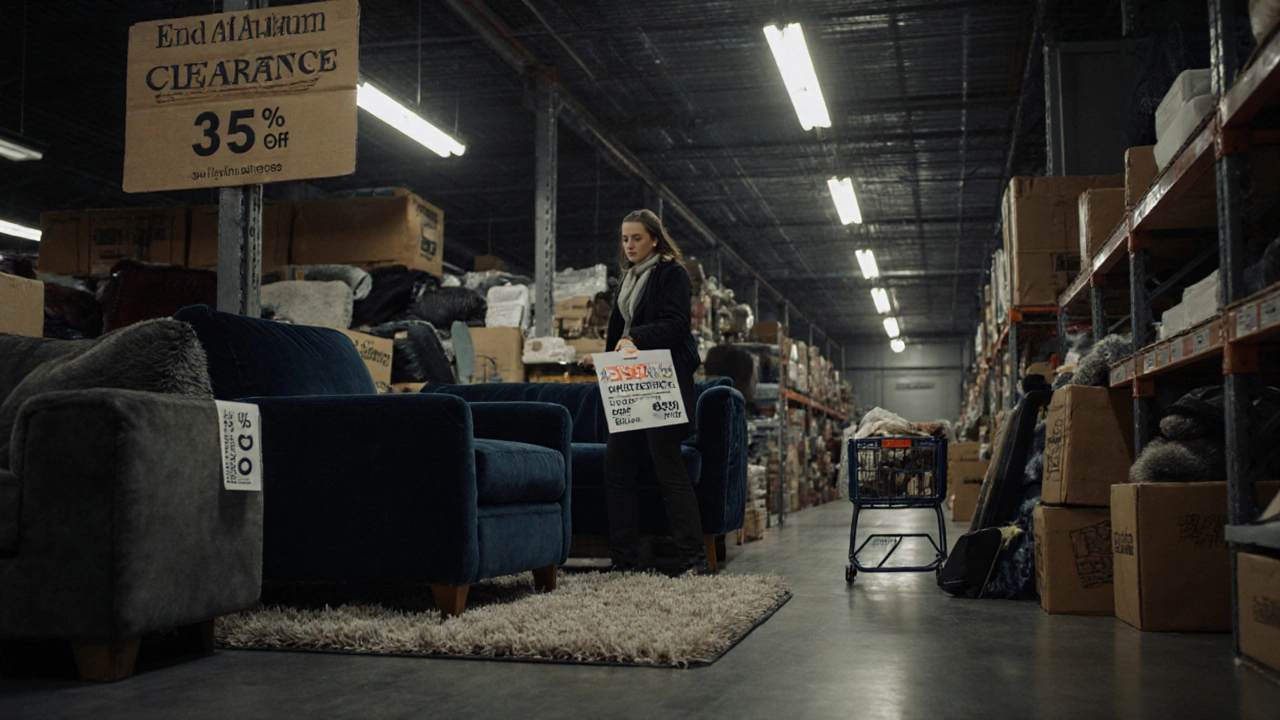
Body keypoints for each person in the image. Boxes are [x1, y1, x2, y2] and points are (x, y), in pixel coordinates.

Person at [601, 209, 707, 575]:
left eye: (637, 238)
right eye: (625, 239)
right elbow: (616, 334)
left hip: (662, 381)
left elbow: (677, 325)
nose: (629, 245)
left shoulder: (671, 273)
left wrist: (634, 338)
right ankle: (624, 561)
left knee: (669, 470)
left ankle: (694, 561)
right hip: (629, 383)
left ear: (655, 240)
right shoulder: (626, 280)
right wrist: (604, 362)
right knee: (617, 471)